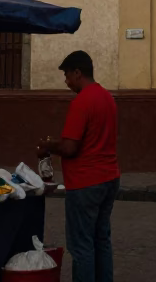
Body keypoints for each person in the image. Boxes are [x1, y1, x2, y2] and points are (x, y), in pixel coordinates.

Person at [38, 51, 120, 282]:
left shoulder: (82, 102)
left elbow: (70, 148)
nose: (66, 81)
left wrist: (48, 146)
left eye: (66, 75)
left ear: (77, 72)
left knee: (82, 246)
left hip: (85, 182)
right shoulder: (107, 98)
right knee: (101, 239)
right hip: (110, 177)